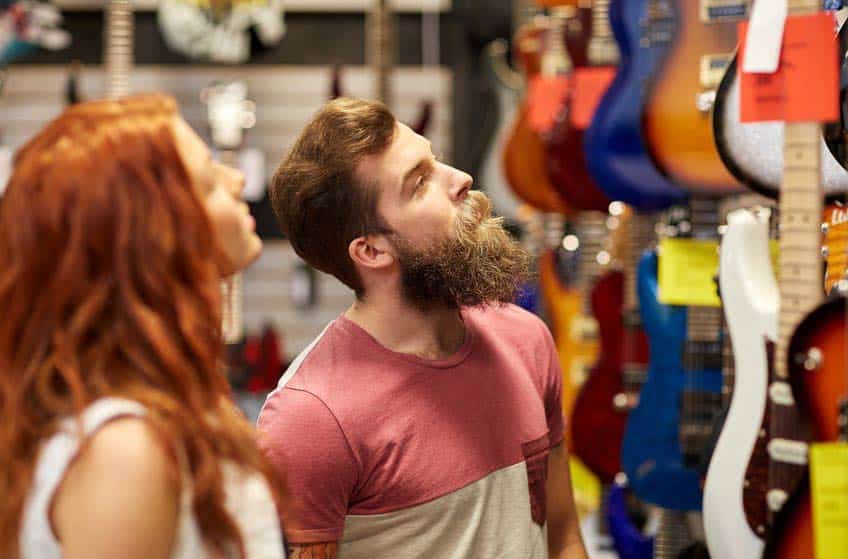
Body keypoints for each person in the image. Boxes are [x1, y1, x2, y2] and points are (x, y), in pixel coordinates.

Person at [258, 97, 588, 559]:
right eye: (420, 182)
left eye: (435, 160)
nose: (460, 178)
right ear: (371, 251)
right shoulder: (313, 419)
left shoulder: (526, 339)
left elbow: (563, 539)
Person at [0, 94, 286, 559]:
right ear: (147, 237)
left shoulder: (154, 417)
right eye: (208, 180)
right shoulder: (124, 451)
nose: (237, 180)